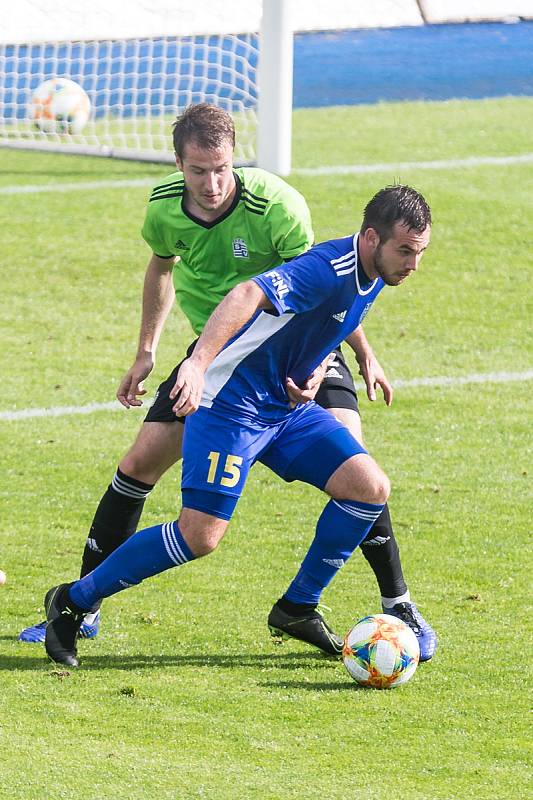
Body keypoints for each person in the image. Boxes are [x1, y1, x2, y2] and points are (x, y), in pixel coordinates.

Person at [21, 103, 436, 660]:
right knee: (200, 536)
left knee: (368, 489)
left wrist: (334, 363)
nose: (413, 263)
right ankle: (74, 601)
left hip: (283, 408)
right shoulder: (328, 267)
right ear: (369, 238)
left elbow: (320, 322)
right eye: (405, 250)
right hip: (230, 403)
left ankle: (296, 608)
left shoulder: (374, 272)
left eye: (420, 252)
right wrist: (192, 365)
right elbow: (246, 295)